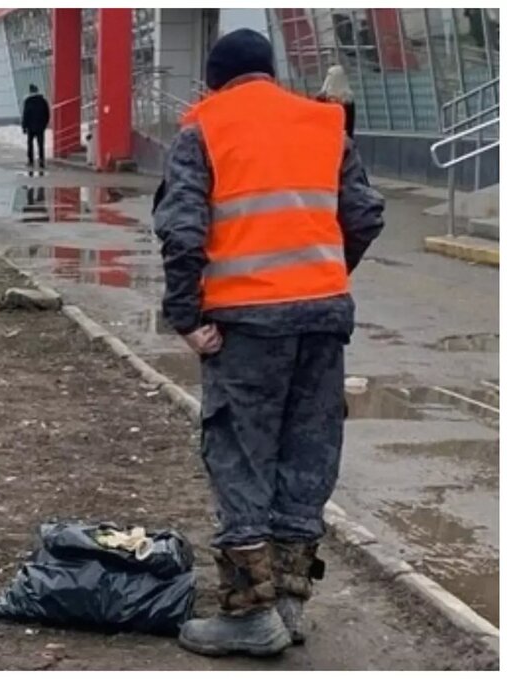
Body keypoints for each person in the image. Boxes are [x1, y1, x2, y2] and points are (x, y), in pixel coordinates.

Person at [152, 29, 385, 658]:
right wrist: (319, 279)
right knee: (304, 454)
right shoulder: (323, 123)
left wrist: (184, 314)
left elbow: (181, 229)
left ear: (216, 80)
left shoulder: (204, 127)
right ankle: (287, 605)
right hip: (321, 319)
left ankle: (250, 616)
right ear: (270, 72)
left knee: (241, 456)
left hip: (246, 327)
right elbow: (363, 214)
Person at [316, 65, 356, 139]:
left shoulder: (347, 99)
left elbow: (347, 122)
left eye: (330, 76)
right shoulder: (325, 97)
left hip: (341, 138)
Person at [21, 83, 50, 168]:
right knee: (40, 144)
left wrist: (24, 126)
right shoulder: (43, 101)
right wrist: (45, 124)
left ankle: (30, 160)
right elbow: (47, 114)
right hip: (40, 127)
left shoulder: (28, 101)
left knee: (30, 144)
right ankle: (41, 160)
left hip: (30, 127)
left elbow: (25, 115)